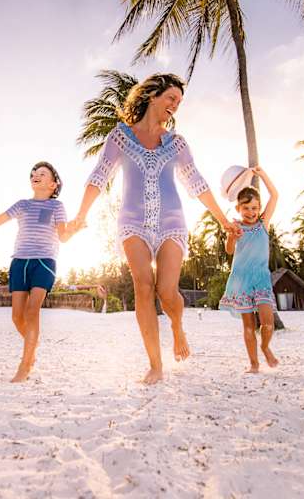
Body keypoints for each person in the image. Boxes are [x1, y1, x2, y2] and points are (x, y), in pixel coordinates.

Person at [70, 73, 240, 385]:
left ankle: (177, 325)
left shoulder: (176, 143)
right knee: (143, 287)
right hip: (132, 223)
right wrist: (80, 215)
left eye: (179, 102)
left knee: (166, 291)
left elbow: (197, 183)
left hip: (171, 224)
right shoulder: (120, 137)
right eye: (170, 98)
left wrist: (223, 220)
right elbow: (98, 176)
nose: (175, 105)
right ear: (152, 96)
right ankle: (155, 364)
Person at [0, 162, 78, 382]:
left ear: (53, 184)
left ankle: (24, 366)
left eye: (42, 173)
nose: (36, 175)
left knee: (32, 311)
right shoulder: (22, 204)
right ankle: (32, 348)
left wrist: (74, 228)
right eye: (34, 173)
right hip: (19, 262)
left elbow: (63, 236)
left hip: (43, 261)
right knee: (17, 317)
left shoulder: (57, 206)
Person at [218, 166, 279, 373]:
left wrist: (262, 175)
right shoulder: (236, 227)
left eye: (254, 208)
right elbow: (228, 250)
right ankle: (253, 364)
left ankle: (265, 346)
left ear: (259, 207)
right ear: (238, 209)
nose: (251, 212)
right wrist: (232, 237)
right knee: (248, 326)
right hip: (241, 280)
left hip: (261, 278)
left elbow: (275, 195)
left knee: (268, 322)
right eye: (246, 208)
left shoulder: (263, 223)